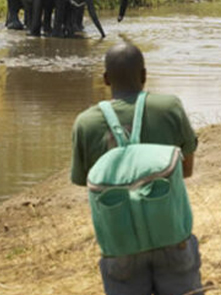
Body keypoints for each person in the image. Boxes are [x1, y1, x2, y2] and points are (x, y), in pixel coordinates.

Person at [71, 42, 203, 295]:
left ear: (106, 79)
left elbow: (85, 181)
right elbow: (186, 170)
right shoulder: (169, 108)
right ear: (144, 75)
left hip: (120, 242)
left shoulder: (85, 123)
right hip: (171, 233)